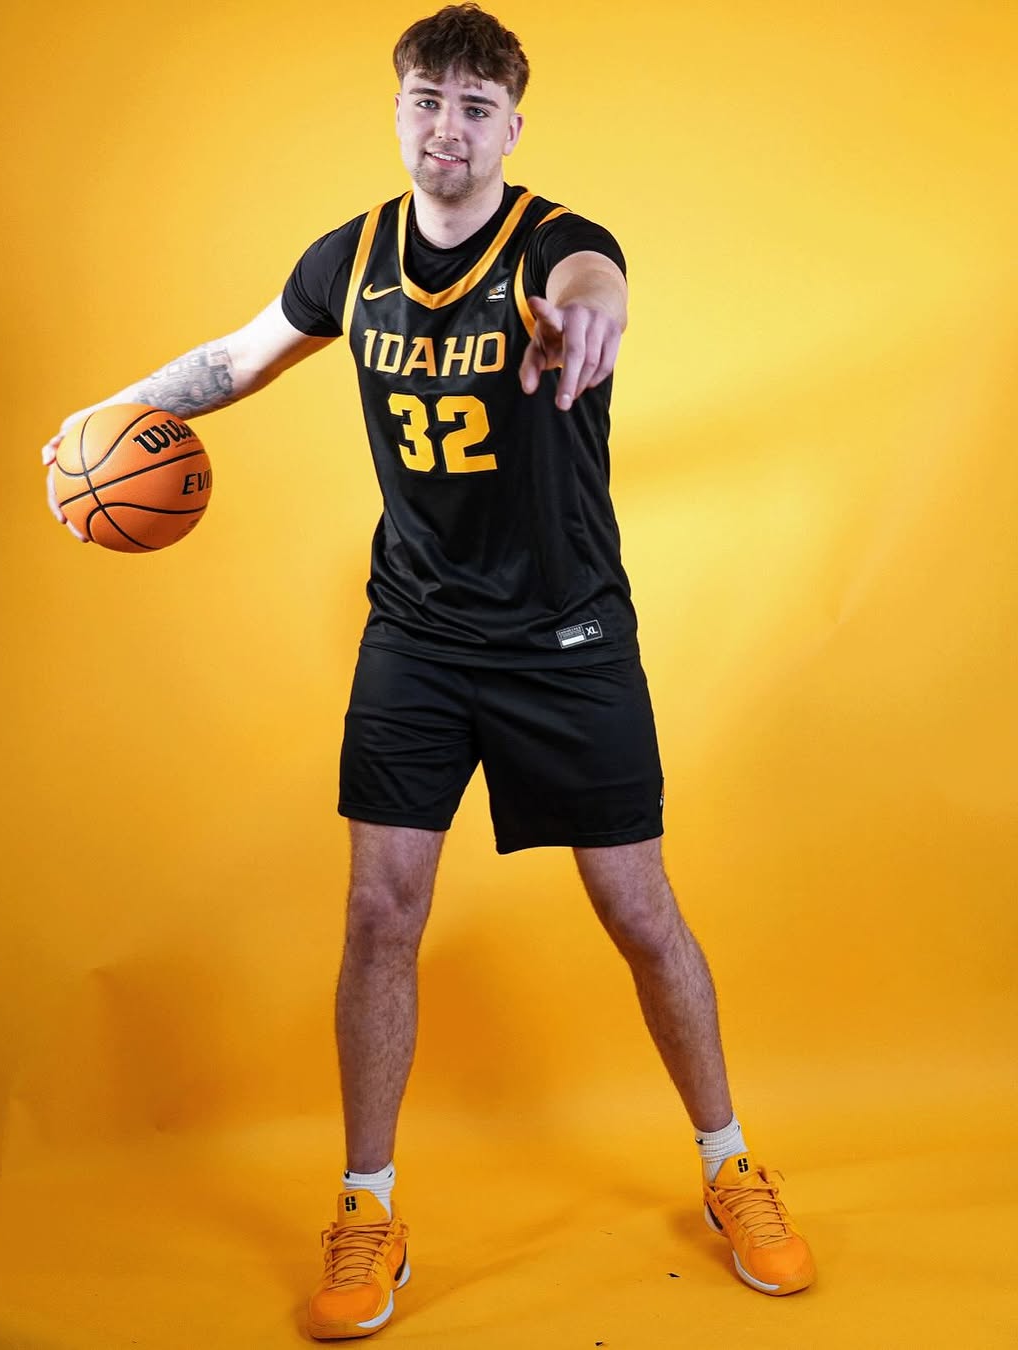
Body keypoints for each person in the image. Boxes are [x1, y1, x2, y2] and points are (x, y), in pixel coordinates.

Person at [43, 4, 816, 1338]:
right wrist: (112, 414)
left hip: (567, 634)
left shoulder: (559, 247)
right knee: (380, 912)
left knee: (639, 910)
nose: (446, 126)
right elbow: (234, 360)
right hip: (416, 631)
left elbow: (599, 288)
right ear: (397, 110)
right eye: (425, 99)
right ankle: (367, 1206)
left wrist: (588, 324)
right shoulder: (350, 259)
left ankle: (730, 1161)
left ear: (512, 125)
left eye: (473, 105)